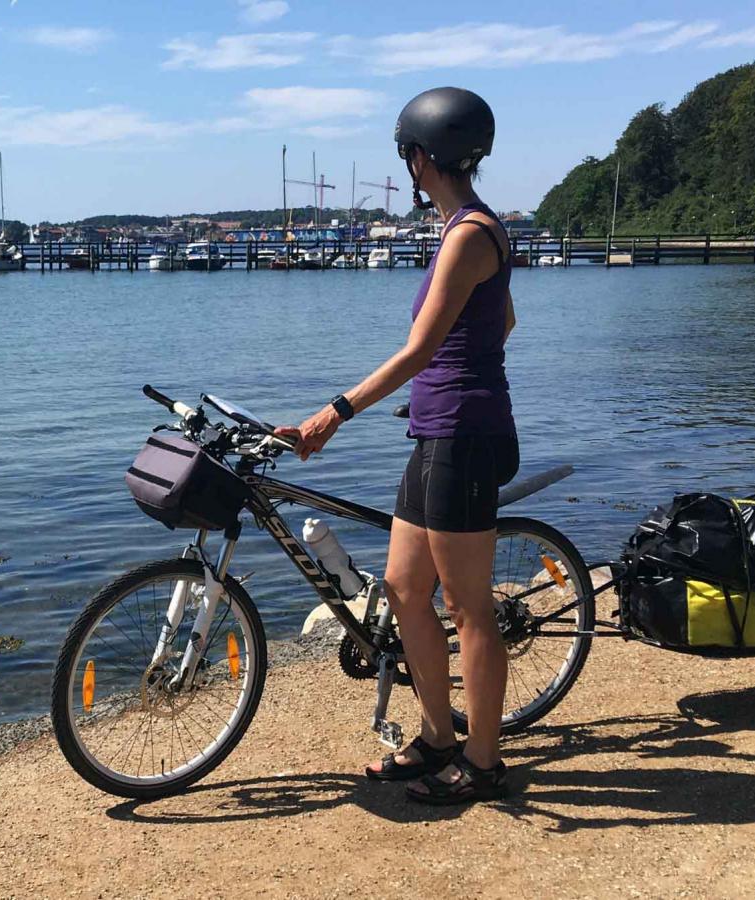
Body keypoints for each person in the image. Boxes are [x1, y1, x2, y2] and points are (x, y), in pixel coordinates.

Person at [275, 86, 518, 805]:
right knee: (409, 592)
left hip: (463, 438)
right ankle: (437, 735)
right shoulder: (466, 229)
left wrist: (335, 412)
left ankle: (482, 761)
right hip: (439, 428)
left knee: (470, 607)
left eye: (406, 154)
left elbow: (419, 348)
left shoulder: (470, 232)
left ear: (420, 157)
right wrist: (453, 375)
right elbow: (502, 320)